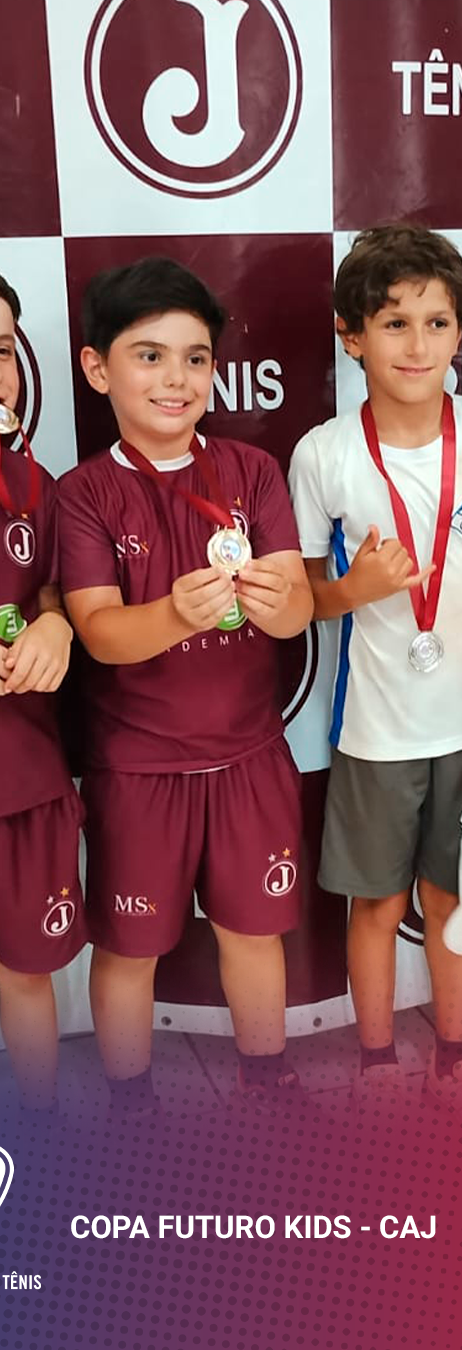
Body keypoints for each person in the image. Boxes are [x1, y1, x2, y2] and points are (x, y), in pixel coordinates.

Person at [289, 224, 462, 1112]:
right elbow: (301, 600)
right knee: (373, 905)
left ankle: (455, 1053)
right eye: (393, 322)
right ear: (350, 334)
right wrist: (353, 588)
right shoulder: (324, 453)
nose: (417, 344)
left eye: (437, 323)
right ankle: (375, 1062)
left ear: (459, 333)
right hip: (375, 729)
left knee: (449, 896)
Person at [58, 256, 313, 1117]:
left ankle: (267, 1081)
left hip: (249, 755)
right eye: (150, 355)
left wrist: (280, 602)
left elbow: (296, 611)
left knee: (254, 933)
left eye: (195, 358)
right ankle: (130, 1103)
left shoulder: (252, 471)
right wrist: (173, 612)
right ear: (97, 368)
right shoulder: (84, 494)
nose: (177, 378)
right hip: (138, 769)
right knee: (129, 949)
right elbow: (99, 632)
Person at [0, 273, 86, 1117]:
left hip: (21, 772)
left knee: (23, 971)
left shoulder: (33, 481)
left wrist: (55, 626)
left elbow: (50, 594)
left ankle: (42, 1132)